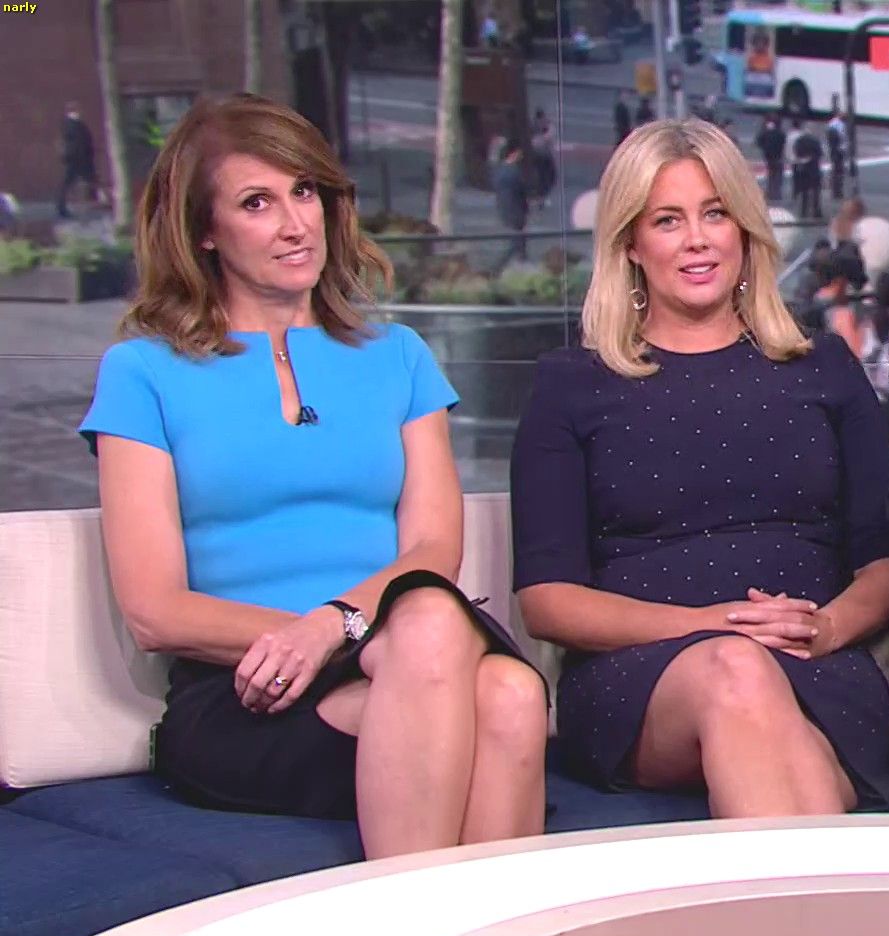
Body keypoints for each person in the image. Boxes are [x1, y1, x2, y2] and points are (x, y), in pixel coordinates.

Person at [78, 94, 548, 859]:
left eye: (305, 192)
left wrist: (333, 625)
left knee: (497, 678)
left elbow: (432, 550)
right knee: (480, 673)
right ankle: (446, 927)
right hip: (245, 691)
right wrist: (300, 639)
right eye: (256, 202)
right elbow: (154, 612)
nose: (296, 223)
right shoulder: (143, 372)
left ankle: (429, 929)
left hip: (393, 650)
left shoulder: (399, 356)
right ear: (204, 230)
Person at [510, 119, 889, 816]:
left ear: (745, 231)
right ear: (631, 244)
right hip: (641, 680)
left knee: (757, 693)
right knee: (736, 670)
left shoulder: (824, 367)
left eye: (715, 213)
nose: (697, 239)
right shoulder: (571, 384)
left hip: (818, 664)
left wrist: (827, 629)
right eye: (668, 220)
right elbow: (548, 601)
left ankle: (802, 887)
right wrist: (707, 625)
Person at [56, 102, 97, 219]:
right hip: (77, 159)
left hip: (76, 159)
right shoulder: (73, 125)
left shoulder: (70, 124)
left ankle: (72, 207)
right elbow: (79, 142)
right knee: (71, 183)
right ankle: (65, 207)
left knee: (72, 183)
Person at [492, 143, 531, 262]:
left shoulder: (499, 171)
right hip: (515, 210)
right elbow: (520, 192)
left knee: (517, 239)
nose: (521, 156)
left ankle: (520, 259)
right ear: (513, 154)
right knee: (517, 239)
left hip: (506, 208)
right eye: (519, 153)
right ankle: (502, 263)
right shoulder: (514, 172)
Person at [790, 122, 825, 220]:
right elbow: (820, 153)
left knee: (804, 192)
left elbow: (796, 152)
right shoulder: (815, 141)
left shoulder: (799, 141)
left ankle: (803, 211)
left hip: (803, 169)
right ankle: (816, 211)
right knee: (816, 191)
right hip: (814, 169)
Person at [755, 115, 786, 202]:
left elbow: (759, 141)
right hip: (778, 156)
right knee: (777, 175)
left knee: (771, 174)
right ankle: (776, 193)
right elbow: (783, 142)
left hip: (768, 156)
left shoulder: (766, 132)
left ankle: (770, 192)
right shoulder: (780, 133)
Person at [825, 107, 848, 200]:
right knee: (838, 170)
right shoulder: (836, 124)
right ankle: (837, 191)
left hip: (837, 149)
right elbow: (838, 137)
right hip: (837, 150)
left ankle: (837, 190)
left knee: (838, 170)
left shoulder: (836, 123)